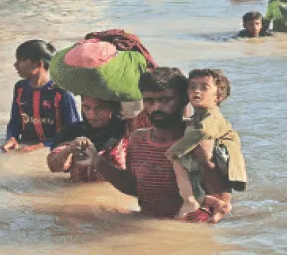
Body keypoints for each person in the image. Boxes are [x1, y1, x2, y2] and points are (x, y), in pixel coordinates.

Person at [73, 67, 232, 223]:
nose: (156, 108)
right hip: (147, 222)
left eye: (165, 100)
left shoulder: (201, 137)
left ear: (184, 100)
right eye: (149, 100)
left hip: (186, 228)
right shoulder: (137, 140)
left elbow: (222, 199)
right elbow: (134, 187)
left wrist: (205, 161)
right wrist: (97, 162)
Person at [166, 69, 246, 222]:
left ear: (218, 97)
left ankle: (189, 200)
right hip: (222, 156)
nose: (196, 91)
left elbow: (202, 131)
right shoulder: (201, 114)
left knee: (177, 162)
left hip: (222, 155)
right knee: (197, 178)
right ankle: (219, 207)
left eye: (204, 87)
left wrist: (174, 151)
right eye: (192, 86)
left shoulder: (212, 115)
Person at [3, 40, 81, 153]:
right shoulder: (20, 87)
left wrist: (42, 146)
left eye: (21, 60)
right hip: (25, 145)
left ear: (39, 64)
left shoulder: (61, 92)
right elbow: (15, 121)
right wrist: (12, 138)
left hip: (52, 148)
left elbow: (73, 132)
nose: (15, 65)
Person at [47, 97, 150, 182]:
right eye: (87, 107)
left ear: (112, 108)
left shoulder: (127, 129)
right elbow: (53, 167)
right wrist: (69, 149)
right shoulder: (74, 131)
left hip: (115, 196)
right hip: (77, 195)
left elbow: (152, 114)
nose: (92, 114)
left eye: (100, 108)